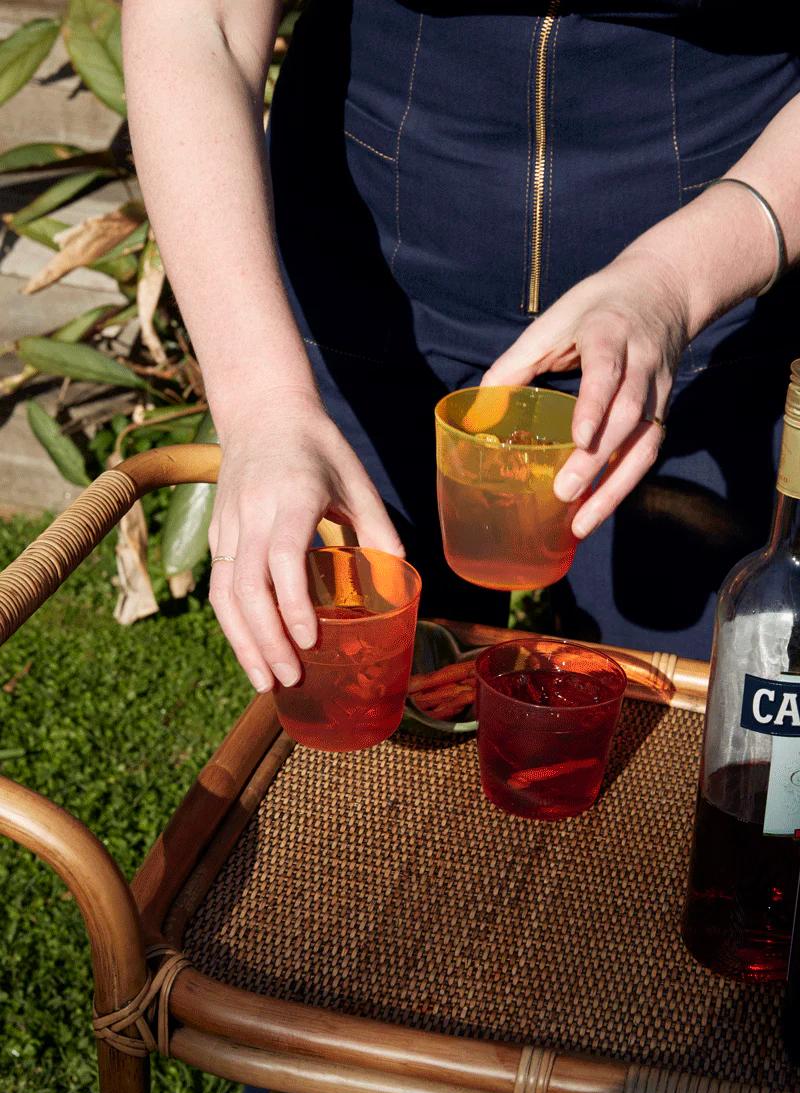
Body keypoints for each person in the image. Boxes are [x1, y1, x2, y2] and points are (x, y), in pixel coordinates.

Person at [121, 0, 800, 685]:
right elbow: (194, 17)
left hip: (710, 320)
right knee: (369, 701)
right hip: (364, 309)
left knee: (676, 722)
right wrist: (264, 405)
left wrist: (677, 281)